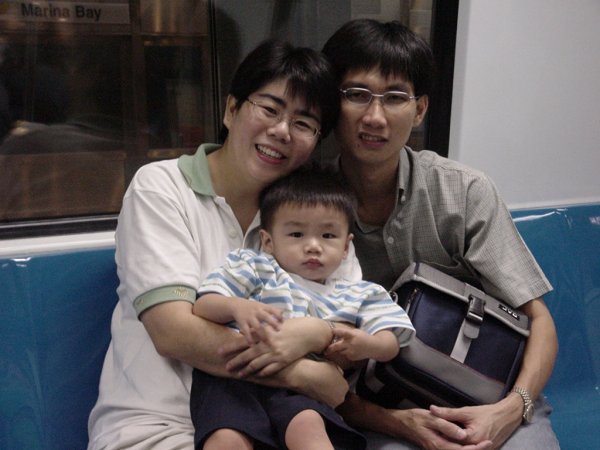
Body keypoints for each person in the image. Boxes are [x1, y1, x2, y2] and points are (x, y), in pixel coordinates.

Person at [87, 39, 352, 450]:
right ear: (231, 109)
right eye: (269, 109)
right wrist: (302, 373)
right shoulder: (162, 188)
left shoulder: (314, 218)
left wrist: (321, 336)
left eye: (303, 124)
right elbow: (174, 332)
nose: (281, 131)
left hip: (275, 429)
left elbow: (346, 338)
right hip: (157, 428)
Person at [319, 19, 560, 450]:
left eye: (395, 98)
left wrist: (510, 411)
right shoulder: (303, 204)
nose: (374, 117)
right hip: (371, 404)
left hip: (484, 392)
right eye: (356, 94)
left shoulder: (463, 192)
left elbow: (539, 320)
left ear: (420, 110)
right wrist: (398, 424)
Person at [190, 167, 415, 449]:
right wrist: (236, 307)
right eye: (297, 234)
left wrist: (367, 344)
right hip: (235, 381)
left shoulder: (359, 293)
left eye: (328, 236)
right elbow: (203, 306)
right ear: (268, 241)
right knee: (226, 438)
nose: (313, 246)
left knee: (308, 425)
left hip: (304, 390)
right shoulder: (255, 267)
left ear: (346, 247)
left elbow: (392, 341)